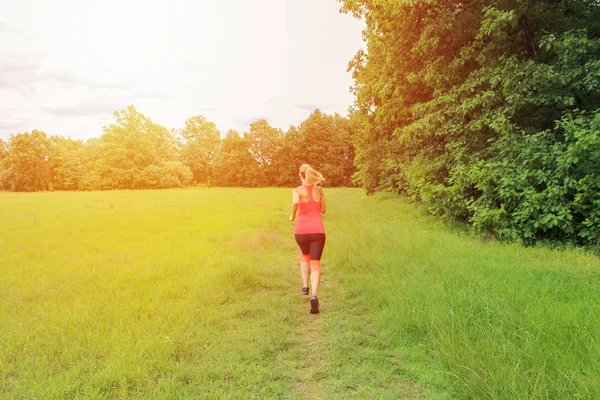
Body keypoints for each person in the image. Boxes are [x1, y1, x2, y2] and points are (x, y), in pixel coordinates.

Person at [289, 164, 326, 314]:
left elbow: (296, 202)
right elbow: (323, 210)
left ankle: (305, 286)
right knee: (315, 264)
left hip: (301, 231)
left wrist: (292, 215)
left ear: (300, 175)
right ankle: (314, 296)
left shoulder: (297, 191)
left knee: (305, 256)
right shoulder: (319, 190)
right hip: (318, 231)